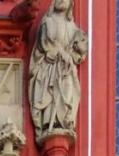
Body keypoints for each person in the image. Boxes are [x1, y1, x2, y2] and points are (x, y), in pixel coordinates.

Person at [28, 0, 88, 142]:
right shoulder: (47, 21)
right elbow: (45, 44)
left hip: (66, 69)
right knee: (50, 93)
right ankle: (49, 122)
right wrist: (60, 53)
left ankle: (63, 122)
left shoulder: (72, 27)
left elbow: (80, 49)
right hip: (49, 67)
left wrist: (77, 50)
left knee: (66, 91)